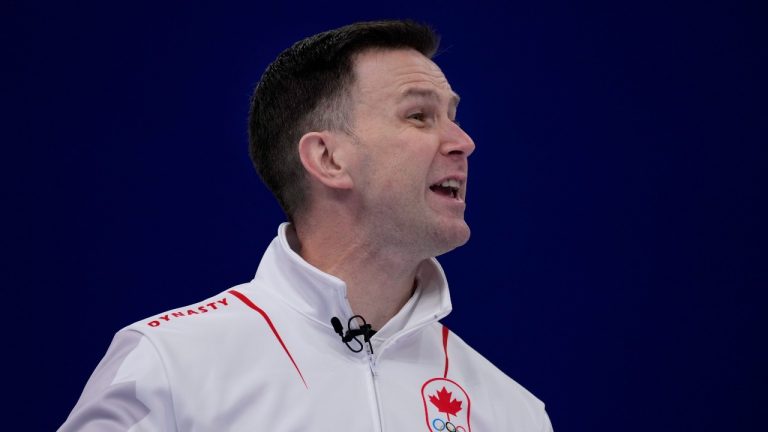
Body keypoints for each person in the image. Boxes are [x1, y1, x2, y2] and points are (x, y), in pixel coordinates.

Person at [59, 20, 553, 431]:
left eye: (454, 117)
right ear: (327, 158)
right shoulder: (169, 367)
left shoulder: (513, 413)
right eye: (420, 116)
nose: (463, 142)